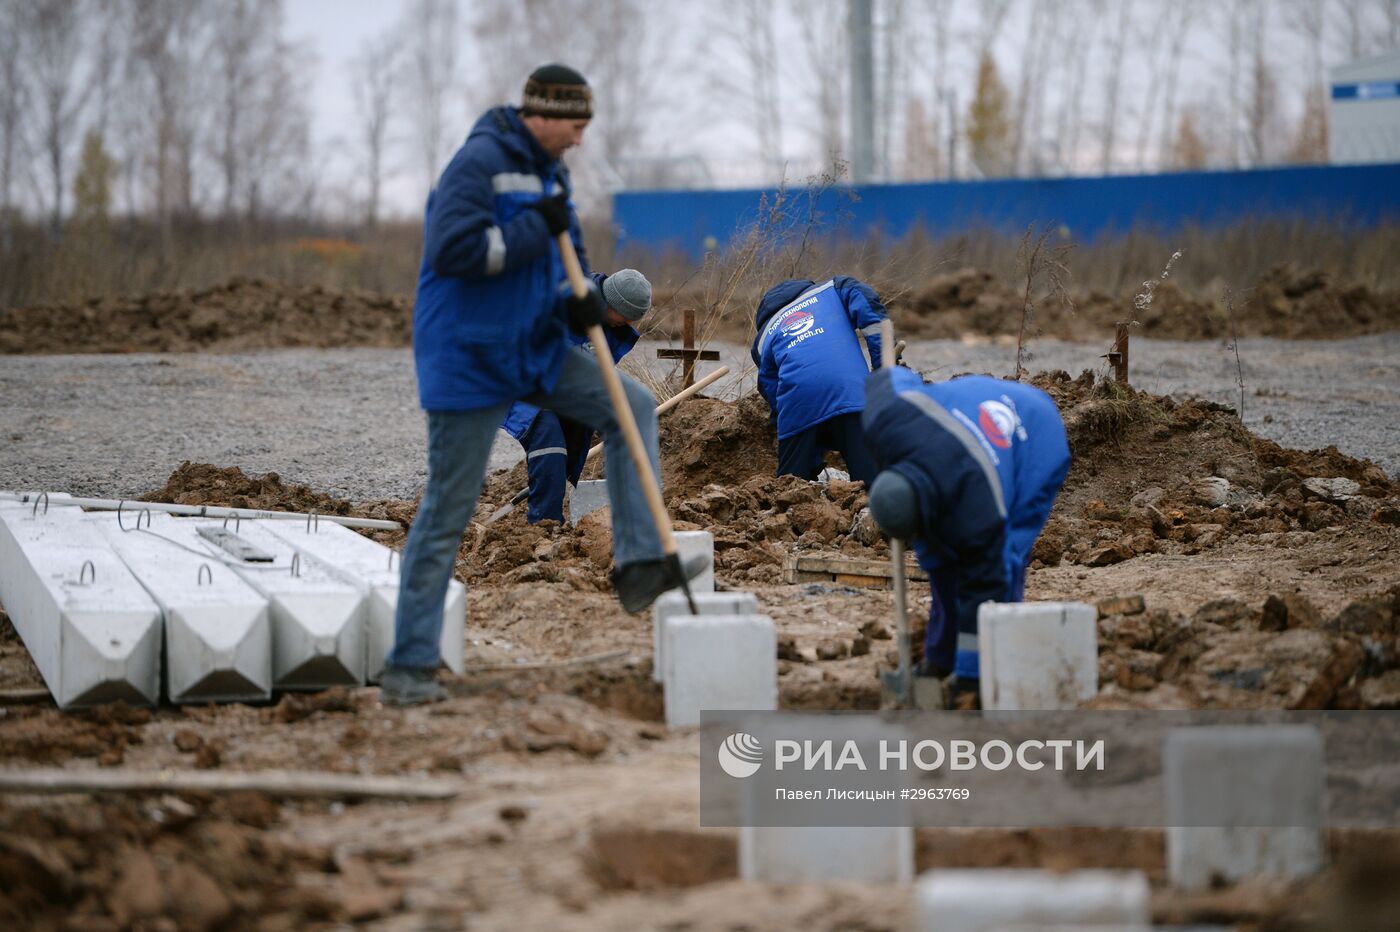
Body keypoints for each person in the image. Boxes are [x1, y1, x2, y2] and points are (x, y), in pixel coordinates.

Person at [382, 64, 701, 705]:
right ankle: (408, 667)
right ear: (545, 115)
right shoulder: (479, 163)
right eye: (577, 125)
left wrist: (579, 300)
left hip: (534, 347)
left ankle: (640, 564)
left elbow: (569, 263)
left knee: (632, 404)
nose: (582, 139)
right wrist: (535, 229)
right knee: (448, 507)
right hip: (470, 355)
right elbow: (455, 253)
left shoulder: (553, 173)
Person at [861, 365, 1071, 695]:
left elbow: (985, 584)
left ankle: (990, 664)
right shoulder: (887, 420)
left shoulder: (980, 511)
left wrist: (970, 681)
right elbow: (886, 380)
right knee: (940, 558)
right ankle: (941, 658)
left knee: (1005, 561)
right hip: (970, 407)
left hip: (1035, 436)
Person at [501, 269, 651, 525]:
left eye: (632, 320)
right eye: (625, 317)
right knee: (549, 444)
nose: (627, 324)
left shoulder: (610, 328)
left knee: (566, 452)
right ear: (610, 303)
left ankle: (548, 499)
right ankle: (543, 528)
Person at [751, 277, 888, 486]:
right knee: (873, 483)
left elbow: (771, 389)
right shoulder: (834, 289)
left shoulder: (763, 338)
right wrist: (885, 366)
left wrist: (810, 448)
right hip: (852, 394)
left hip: (798, 407)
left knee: (789, 488)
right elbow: (870, 310)